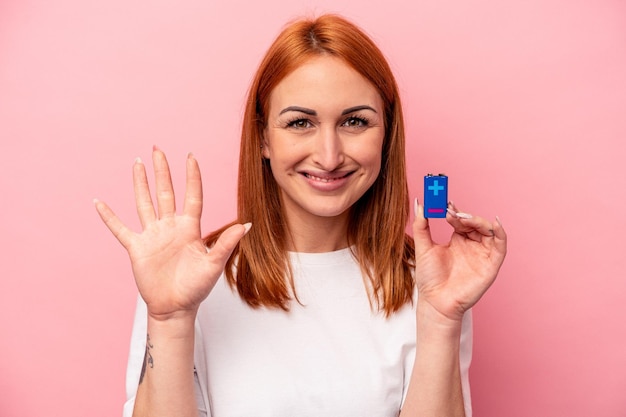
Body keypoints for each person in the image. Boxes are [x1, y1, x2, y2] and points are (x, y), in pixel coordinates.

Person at [95, 14, 507, 417]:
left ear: (387, 135)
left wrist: (439, 319)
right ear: (263, 138)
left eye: (354, 121)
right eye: (300, 122)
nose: (329, 156)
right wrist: (169, 320)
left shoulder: (432, 284)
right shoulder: (190, 278)